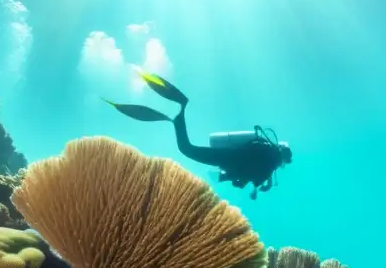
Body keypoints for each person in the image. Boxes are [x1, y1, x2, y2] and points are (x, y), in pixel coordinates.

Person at [103, 71, 293, 199]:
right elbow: (251, 176)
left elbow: (248, 168)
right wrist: (256, 188)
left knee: (188, 149)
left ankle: (177, 114)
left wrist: (246, 180)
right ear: (283, 159)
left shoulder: (266, 152)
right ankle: (179, 112)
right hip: (226, 159)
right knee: (186, 149)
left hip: (226, 156)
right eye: (284, 162)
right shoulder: (269, 165)